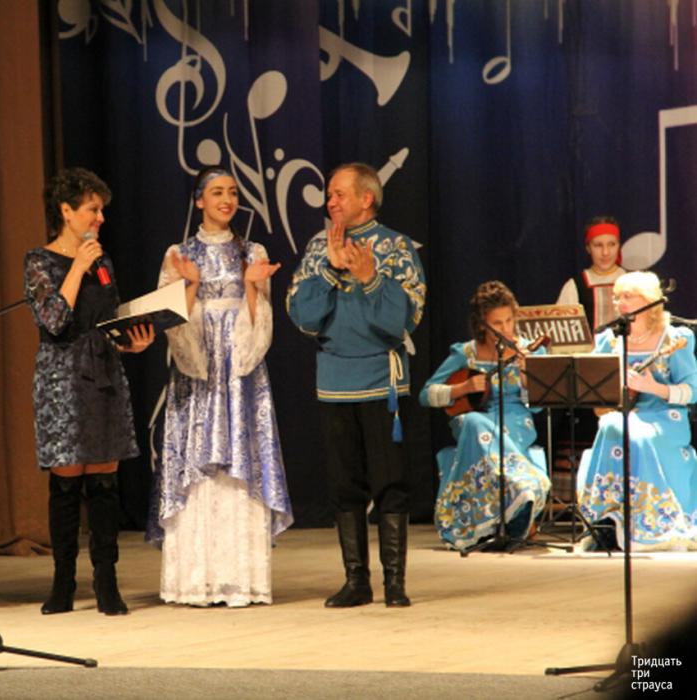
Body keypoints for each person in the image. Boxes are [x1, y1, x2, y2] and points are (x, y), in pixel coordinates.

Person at [147, 167, 293, 607]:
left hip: (240, 376)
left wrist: (250, 287)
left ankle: (240, 580)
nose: (227, 200)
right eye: (216, 193)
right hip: (199, 374)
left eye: (232, 192)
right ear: (199, 201)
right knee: (198, 467)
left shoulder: (253, 251)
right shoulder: (179, 254)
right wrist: (191, 284)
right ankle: (194, 581)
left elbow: (261, 325)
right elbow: (169, 320)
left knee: (240, 464)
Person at [287, 162, 425, 608]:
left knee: (391, 484)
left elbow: (399, 323)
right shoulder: (318, 247)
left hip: (382, 384)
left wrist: (371, 279)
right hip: (334, 383)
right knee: (344, 487)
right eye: (329, 195)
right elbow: (304, 317)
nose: (330, 201)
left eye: (339, 194)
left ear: (366, 198)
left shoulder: (397, 248)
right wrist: (329, 271)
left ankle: (395, 584)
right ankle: (356, 582)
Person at [25, 167, 154, 616]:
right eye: (92, 209)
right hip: (62, 379)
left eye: (101, 210)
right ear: (66, 210)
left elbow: (107, 320)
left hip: (104, 374)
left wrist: (131, 342)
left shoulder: (104, 261)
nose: (100, 218)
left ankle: (107, 582)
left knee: (104, 481)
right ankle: (63, 582)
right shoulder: (39, 261)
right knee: (66, 482)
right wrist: (78, 266)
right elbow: (54, 320)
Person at [419, 281, 551, 551]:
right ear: (482, 326)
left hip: (517, 421)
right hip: (474, 420)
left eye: (509, 320)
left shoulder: (530, 350)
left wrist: (527, 378)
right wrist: (462, 388)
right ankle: (516, 497)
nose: (506, 329)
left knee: (487, 427)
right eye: (497, 324)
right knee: (473, 421)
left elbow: (538, 407)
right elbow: (425, 394)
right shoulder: (465, 353)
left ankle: (517, 508)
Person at [576, 271, 697, 551]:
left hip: (666, 418)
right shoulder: (609, 340)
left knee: (635, 434)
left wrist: (652, 387)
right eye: (617, 297)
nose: (619, 303)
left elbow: (693, 391)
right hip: (623, 414)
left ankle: (648, 523)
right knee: (611, 424)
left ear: (649, 301)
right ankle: (606, 518)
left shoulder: (674, 338)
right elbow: (591, 388)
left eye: (628, 296)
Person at [555, 216, 627, 330]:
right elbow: (561, 329)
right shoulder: (575, 286)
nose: (605, 252)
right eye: (598, 245)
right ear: (588, 248)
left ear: (619, 246)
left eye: (611, 244)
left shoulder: (632, 284)